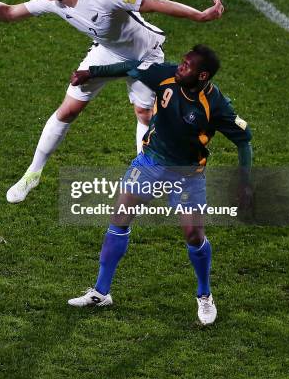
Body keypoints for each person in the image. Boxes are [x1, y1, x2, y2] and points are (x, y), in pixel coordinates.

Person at [0, 0, 224, 204]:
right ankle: (33, 173)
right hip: (107, 53)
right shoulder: (52, 1)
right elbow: (7, 13)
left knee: (144, 114)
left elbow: (155, 4)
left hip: (145, 55)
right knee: (68, 110)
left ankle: (145, 180)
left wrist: (199, 16)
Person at [67, 44, 253, 325]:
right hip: (150, 163)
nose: (181, 66)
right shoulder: (166, 76)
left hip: (187, 175)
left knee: (193, 234)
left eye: (188, 66)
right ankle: (101, 292)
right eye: (183, 61)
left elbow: (244, 139)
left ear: (202, 76)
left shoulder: (216, 106)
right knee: (119, 219)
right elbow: (130, 67)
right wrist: (91, 72)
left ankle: (204, 295)